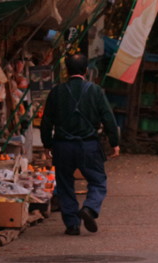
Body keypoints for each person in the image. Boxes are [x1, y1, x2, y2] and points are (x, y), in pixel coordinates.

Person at [39, 53, 120, 236]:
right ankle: (90, 208)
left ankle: (72, 225)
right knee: (98, 180)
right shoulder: (96, 91)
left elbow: (46, 122)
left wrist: (47, 144)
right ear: (86, 70)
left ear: (67, 70)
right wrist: (115, 143)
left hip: (63, 146)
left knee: (65, 184)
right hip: (89, 145)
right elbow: (108, 118)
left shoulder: (56, 92)